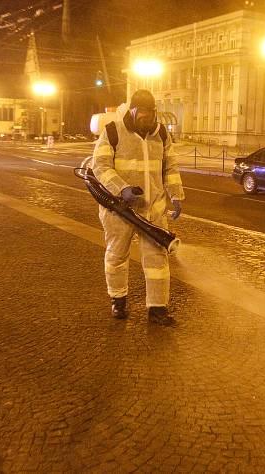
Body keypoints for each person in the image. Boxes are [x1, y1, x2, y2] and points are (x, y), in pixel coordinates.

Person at [92, 89, 185, 325]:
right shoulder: (112, 131)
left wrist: (176, 195)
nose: (145, 117)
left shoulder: (161, 134)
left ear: (155, 112)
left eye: (149, 112)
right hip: (120, 209)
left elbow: (170, 168)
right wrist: (122, 188)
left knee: (157, 260)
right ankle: (118, 300)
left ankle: (157, 308)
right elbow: (100, 167)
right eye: (140, 112)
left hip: (152, 209)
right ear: (132, 110)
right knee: (117, 255)